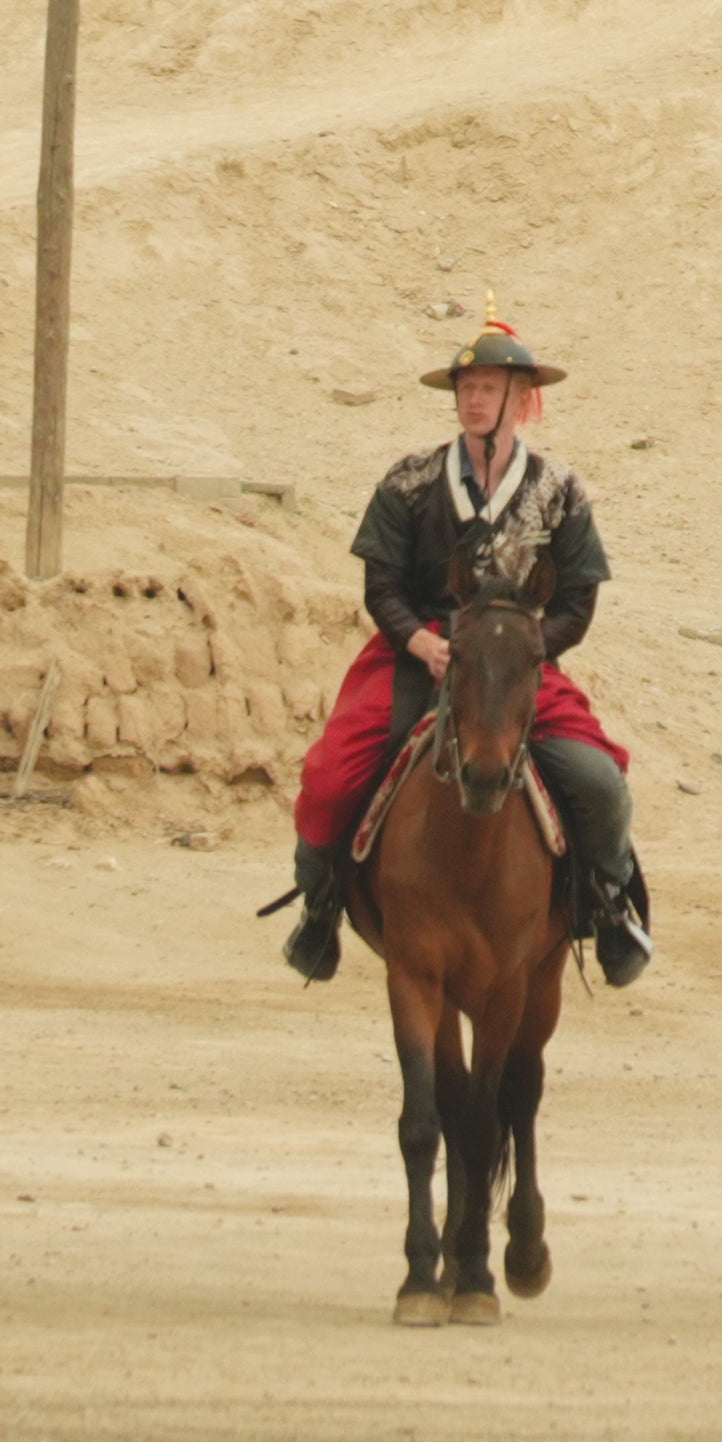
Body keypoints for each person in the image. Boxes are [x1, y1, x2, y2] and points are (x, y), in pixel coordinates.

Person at [278, 315, 649, 989]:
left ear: (522, 399)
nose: (474, 400)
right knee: (331, 774)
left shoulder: (559, 490)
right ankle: (319, 905)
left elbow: (577, 601)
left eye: (489, 388)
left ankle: (609, 903)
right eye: (466, 388)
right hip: (415, 652)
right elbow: (380, 585)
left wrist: (526, 651)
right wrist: (420, 641)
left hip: (515, 662)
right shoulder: (409, 481)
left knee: (599, 780)